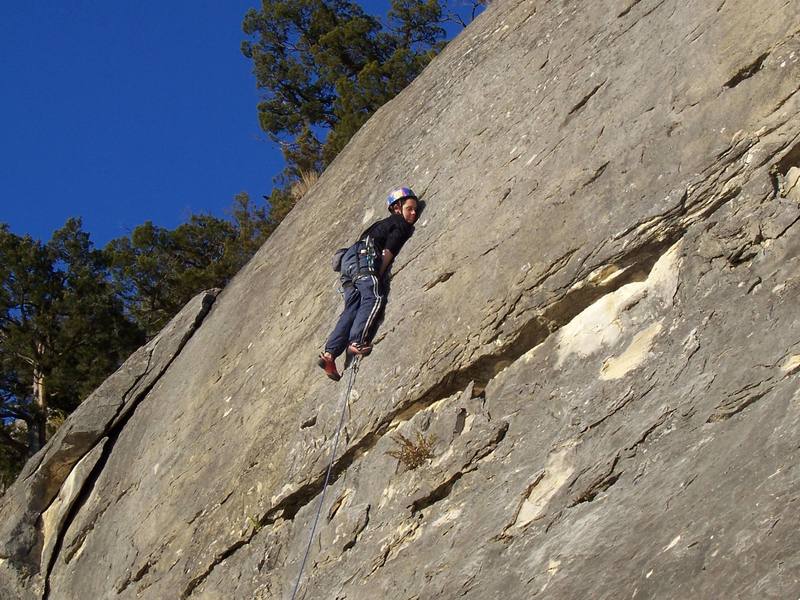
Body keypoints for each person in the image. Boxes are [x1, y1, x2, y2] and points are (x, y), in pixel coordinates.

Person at [318, 187, 419, 380]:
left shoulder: (378, 225)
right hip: (364, 258)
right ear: (397, 208)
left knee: (352, 307)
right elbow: (389, 249)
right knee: (373, 295)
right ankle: (356, 342)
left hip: (348, 263)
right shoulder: (399, 223)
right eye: (410, 208)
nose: (413, 213)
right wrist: (378, 274)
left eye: (415, 210)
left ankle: (330, 354)